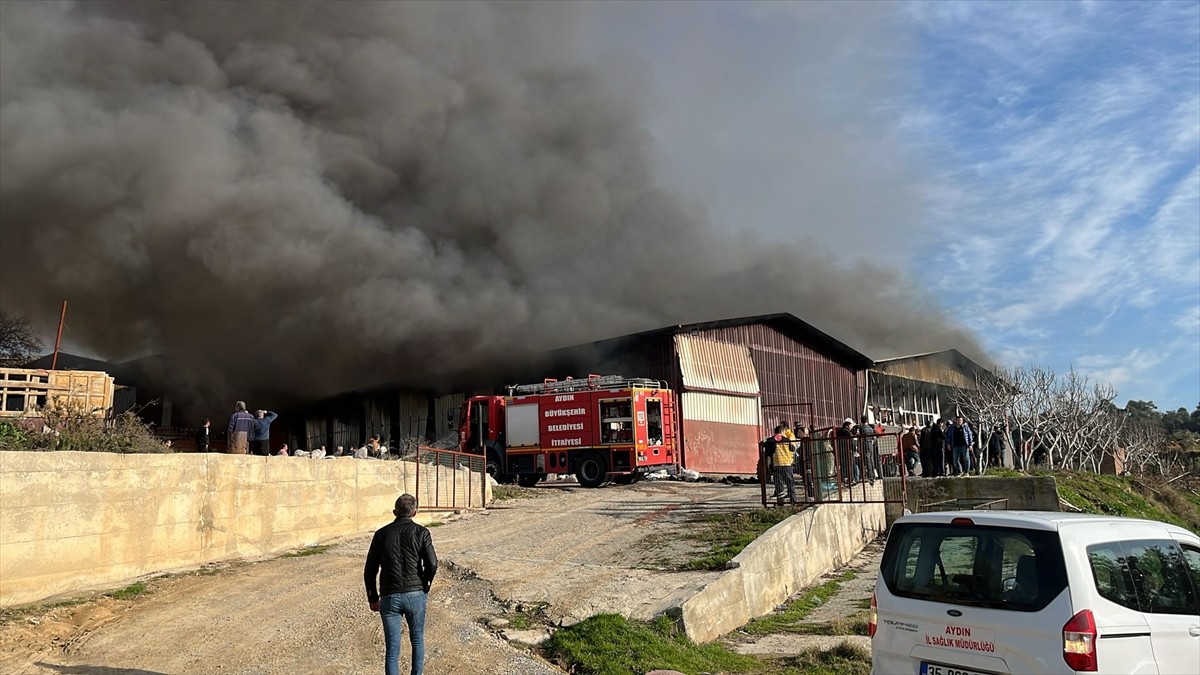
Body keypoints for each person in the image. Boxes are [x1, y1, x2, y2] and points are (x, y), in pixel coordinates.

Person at [364, 494, 438, 675]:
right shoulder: (422, 533)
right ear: (415, 512)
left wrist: (373, 597)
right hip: (415, 593)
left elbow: (370, 569)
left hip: (389, 596)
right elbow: (433, 563)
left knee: (392, 647)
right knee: (417, 640)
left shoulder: (381, 534)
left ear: (394, 512)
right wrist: (425, 584)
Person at [769, 425, 796, 505]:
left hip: (776, 465)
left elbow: (769, 452)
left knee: (779, 485)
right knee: (790, 484)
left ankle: (780, 503)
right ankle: (793, 502)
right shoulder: (787, 440)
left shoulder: (771, 440)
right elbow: (793, 449)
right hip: (787, 464)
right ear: (782, 432)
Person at [835, 419, 857, 485]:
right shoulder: (848, 432)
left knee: (843, 465)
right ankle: (851, 480)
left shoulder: (838, 432)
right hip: (848, 450)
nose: (851, 427)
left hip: (841, 450)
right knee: (850, 465)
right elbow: (852, 442)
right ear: (847, 425)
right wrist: (854, 450)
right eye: (851, 425)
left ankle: (843, 480)